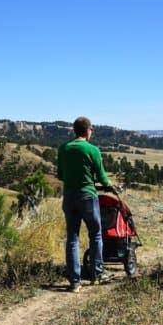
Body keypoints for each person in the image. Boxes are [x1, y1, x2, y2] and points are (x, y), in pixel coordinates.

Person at [57, 116, 113, 292]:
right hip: (88, 197)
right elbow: (102, 177)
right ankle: (97, 273)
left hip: (69, 197)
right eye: (91, 130)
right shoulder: (92, 150)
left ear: (75, 130)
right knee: (95, 234)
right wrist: (110, 186)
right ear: (88, 130)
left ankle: (74, 281)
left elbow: (60, 175)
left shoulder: (63, 149)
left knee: (72, 238)